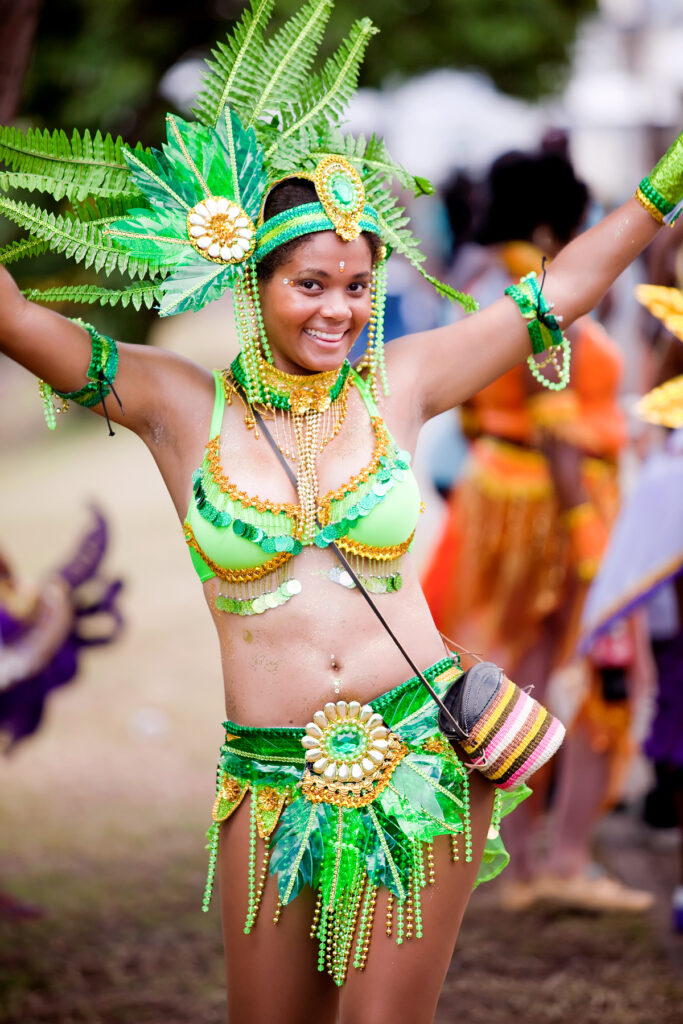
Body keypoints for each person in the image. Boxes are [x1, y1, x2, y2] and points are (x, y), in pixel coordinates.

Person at [0, 4, 681, 1021]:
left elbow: (566, 288)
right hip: (265, 781)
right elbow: (14, 318)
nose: (338, 310)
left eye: (357, 285)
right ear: (251, 281)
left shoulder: (402, 381)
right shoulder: (177, 404)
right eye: (309, 284)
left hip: (418, 756)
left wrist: (663, 188)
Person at [422, 146, 654, 912]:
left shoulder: (473, 275)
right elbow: (554, 418)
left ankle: (519, 864)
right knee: (587, 676)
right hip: (551, 503)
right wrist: (586, 529)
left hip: (495, 488)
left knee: (505, 675)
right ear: (557, 219)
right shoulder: (533, 288)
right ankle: (560, 860)